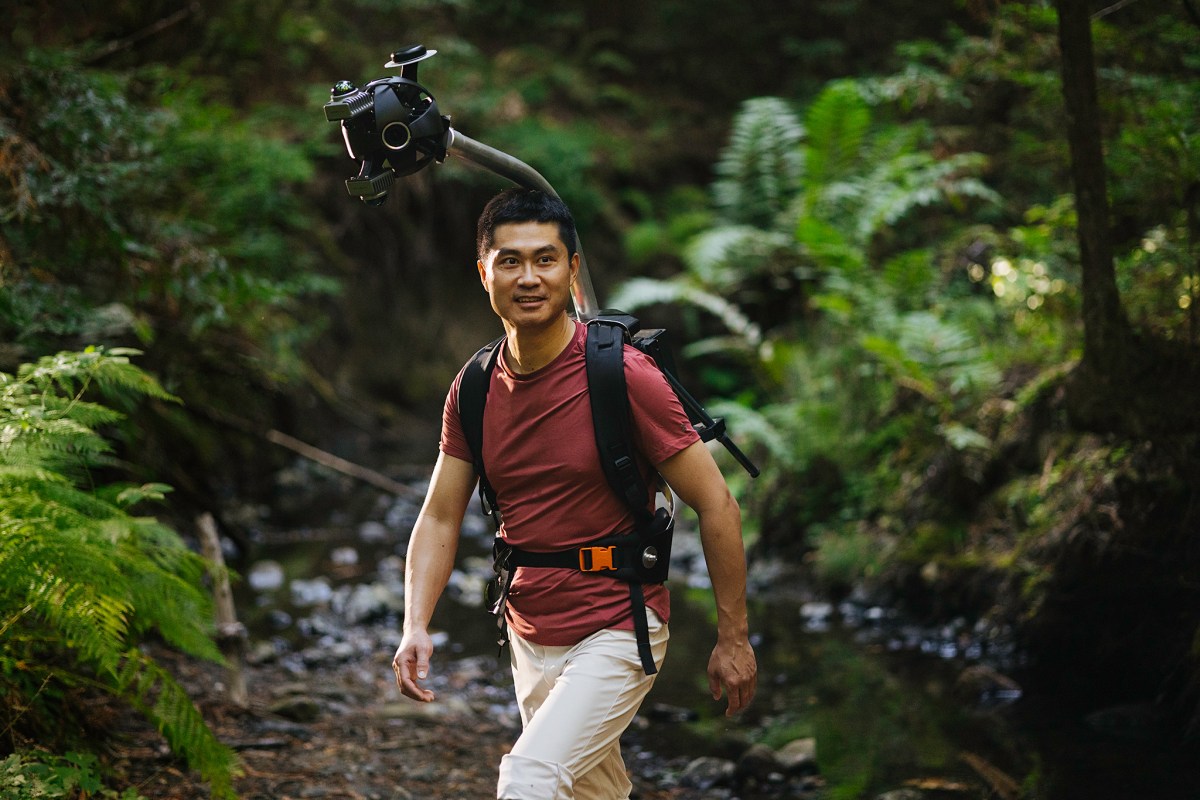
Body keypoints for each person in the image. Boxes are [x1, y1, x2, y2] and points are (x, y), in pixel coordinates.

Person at [392, 188, 757, 800]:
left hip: (619, 624)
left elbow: (717, 502)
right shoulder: (475, 387)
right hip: (529, 630)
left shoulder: (622, 377)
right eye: (509, 261)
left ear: (572, 269)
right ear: (483, 273)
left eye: (545, 259)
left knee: (528, 777)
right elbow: (438, 517)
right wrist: (414, 623)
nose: (528, 277)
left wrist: (733, 637)